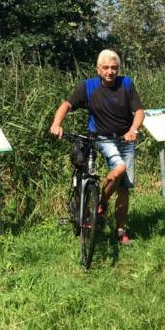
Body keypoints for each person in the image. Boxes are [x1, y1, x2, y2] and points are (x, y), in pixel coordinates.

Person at [50, 50, 144, 246]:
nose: (110, 72)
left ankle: (119, 229)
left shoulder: (126, 84)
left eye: (114, 68)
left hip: (126, 140)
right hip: (102, 138)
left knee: (124, 189)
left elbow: (139, 111)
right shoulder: (88, 86)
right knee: (119, 168)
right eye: (106, 68)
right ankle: (102, 204)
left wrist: (133, 129)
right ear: (98, 69)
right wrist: (56, 124)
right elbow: (67, 104)